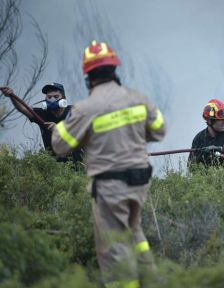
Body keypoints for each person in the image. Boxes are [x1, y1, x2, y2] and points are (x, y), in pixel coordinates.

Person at [51, 40, 165, 288]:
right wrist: (130, 134)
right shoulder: (137, 98)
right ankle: (152, 281)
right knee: (134, 233)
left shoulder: (86, 108)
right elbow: (159, 129)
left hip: (110, 187)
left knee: (114, 249)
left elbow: (59, 145)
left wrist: (69, 127)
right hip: (140, 182)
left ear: (88, 78)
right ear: (115, 71)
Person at [2, 83, 83, 163]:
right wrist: (12, 96)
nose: (52, 99)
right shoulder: (43, 114)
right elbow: (23, 108)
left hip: (80, 163)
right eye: (49, 97)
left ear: (63, 99)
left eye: (56, 96)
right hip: (55, 167)